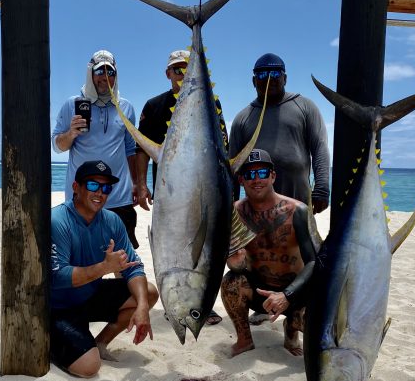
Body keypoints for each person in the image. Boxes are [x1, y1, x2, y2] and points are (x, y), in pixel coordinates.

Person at [228, 52, 330, 325]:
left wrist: (322, 187)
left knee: (305, 259)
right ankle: (266, 304)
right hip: (255, 212)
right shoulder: (242, 118)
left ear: (285, 76)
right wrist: (231, 209)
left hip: (297, 203)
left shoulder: (305, 107)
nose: (269, 78)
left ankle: (293, 311)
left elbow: (320, 147)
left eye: (275, 73)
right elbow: (232, 168)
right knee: (263, 258)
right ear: (253, 81)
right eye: (262, 74)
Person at [135, 49, 227, 325]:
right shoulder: (153, 105)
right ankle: (187, 301)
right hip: (170, 197)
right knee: (171, 243)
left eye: (186, 68)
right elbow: (141, 150)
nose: (181, 74)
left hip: (202, 196)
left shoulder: (214, 104)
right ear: (167, 74)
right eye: (176, 69)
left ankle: (199, 304)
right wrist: (140, 184)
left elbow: (221, 150)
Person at [50, 160, 159, 378]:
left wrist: (143, 308)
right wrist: (104, 267)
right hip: (59, 306)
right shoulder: (58, 220)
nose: (100, 192)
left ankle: (100, 342)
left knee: (147, 292)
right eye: (92, 185)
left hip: (90, 296)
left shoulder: (112, 221)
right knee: (88, 368)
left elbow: (134, 267)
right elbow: (57, 277)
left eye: (106, 187)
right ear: (76, 187)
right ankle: (52, 343)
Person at [221, 149, 316, 357]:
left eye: (262, 173)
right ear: (241, 180)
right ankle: (244, 340)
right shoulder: (235, 213)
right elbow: (236, 263)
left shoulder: (296, 211)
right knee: (231, 283)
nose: (256, 180)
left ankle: (291, 329)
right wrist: (235, 263)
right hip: (260, 293)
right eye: (249, 174)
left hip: (295, 294)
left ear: (273, 176)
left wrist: (287, 295)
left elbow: (313, 262)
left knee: (319, 316)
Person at [52, 49, 141, 248]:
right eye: (100, 71)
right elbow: (56, 146)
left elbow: (129, 148)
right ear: (90, 73)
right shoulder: (72, 104)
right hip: (82, 198)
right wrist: (71, 133)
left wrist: (136, 183)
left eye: (111, 72)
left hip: (118, 197)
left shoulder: (126, 107)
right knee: (85, 259)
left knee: (123, 262)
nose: (105, 77)